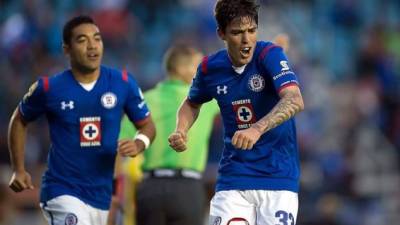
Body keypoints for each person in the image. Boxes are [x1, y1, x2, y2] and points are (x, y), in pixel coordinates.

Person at [7, 15, 156, 225]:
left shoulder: (122, 83)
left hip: (101, 195)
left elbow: (147, 125)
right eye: (82, 40)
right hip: (62, 191)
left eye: (97, 39)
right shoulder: (49, 88)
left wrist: (140, 143)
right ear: (66, 49)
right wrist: (18, 169)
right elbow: (19, 120)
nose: (92, 46)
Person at [168, 0, 305, 224]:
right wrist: (181, 130)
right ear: (221, 33)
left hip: (278, 178)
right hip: (234, 178)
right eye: (237, 32)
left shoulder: (269, 54)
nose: (246, 40)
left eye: (252, 31)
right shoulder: (209, 68)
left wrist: (257, 128)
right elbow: (192, 103)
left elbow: (294, 99)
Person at [118, 45, 219, 225]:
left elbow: (121, 143)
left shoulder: (145, 100)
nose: (205, 72)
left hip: (150, 189)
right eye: (198, 66)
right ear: (181, 69)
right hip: (188, 189)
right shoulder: (205, 100)